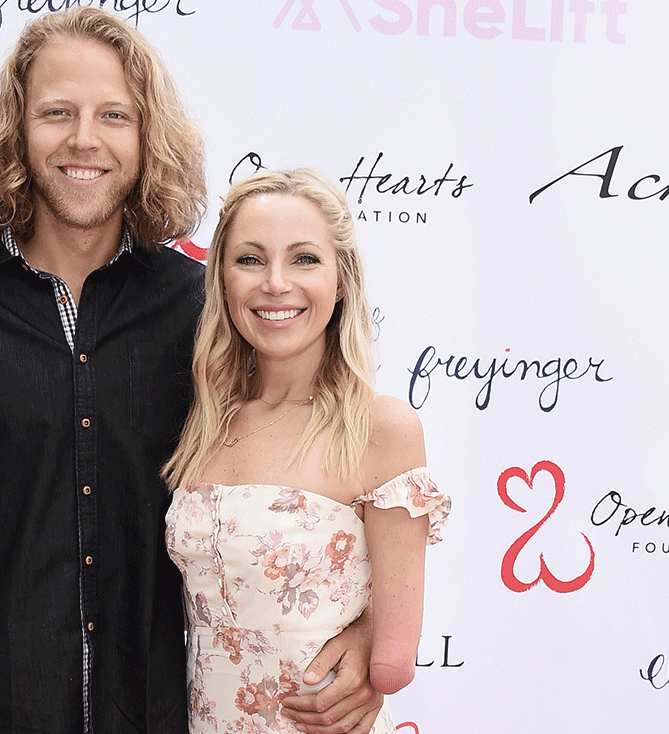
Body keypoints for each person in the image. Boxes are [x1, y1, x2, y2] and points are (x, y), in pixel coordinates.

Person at [0, 10, 383, 734]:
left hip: (148, 713)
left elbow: (297, 480)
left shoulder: (198, 309)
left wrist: (363, 632)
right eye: (57, 113)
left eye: (114, 115)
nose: (84, 140)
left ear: (145, 135)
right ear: (16, 128)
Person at [162, 170, 451, 733]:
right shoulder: (201, 422)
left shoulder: (381, 428)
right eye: (249, 259)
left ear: (341, 280)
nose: (275, 283)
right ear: (221, 280)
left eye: (304, 259)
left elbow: (393, 660)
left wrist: (368, 647)